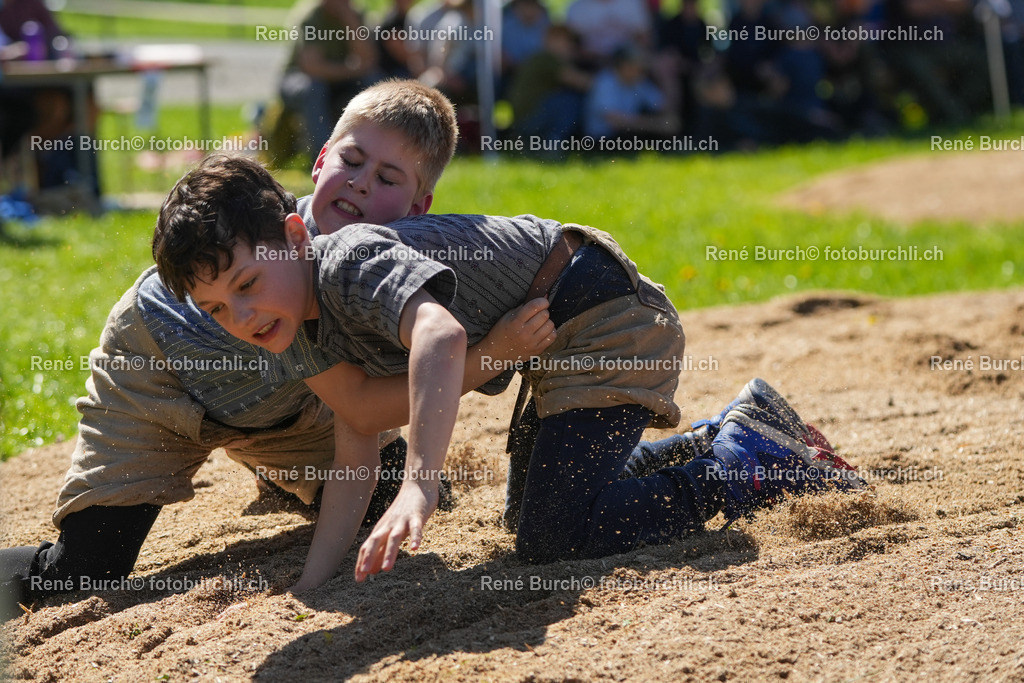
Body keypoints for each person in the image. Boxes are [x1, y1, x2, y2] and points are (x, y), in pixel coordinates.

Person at [153, 155, 866, 592]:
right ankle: (727, 432)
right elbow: (359, 428)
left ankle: (744, 465)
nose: (239, 313)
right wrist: (312, 580)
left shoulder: (344, 261)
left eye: (246, 282)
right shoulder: (291, 322)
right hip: (556, 337)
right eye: (215, 307)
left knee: (555, 537)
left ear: (296, 236)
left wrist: (419, 485)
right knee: (535, 517)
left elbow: (438, 336)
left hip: (603, 318)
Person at [0, 80, 555, 618]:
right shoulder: (267, 233)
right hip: (160, 375)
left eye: (387, 177)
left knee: (384, 504)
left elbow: (367, 403)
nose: (361, 184)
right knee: (85, 571)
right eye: (353, 161)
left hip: (288, 411)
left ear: (417, 206)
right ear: (320, 162)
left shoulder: (380, 266)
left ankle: (276, 471)